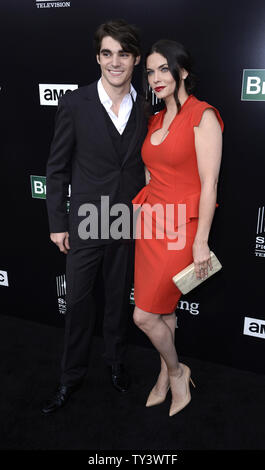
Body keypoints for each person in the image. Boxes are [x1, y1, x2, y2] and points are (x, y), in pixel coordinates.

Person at [42, 19, 147, 414]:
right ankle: (70, 378)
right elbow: (56, 169)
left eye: (123, 53)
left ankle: (116, 363)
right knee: (80, 304)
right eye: (107, 53)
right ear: (97, 57)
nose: (115, 62)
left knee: (119, 300)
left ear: (135, 59)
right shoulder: (75, 103)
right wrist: (57, 223)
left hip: (127, 221)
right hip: (86, 220)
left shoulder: (149, 106)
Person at [132, 40, 224, 416]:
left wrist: (201, 242)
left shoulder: (203, 116)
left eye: (163, 69)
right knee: (164, 313)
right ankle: (163, 375)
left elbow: (210, 183)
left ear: (182, 71)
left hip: (182, 229)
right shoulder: (154, 119)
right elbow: (152, 172)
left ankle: (176, 373)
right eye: (150, 72)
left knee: (143, 316)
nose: (156, 78)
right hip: (150, 225)